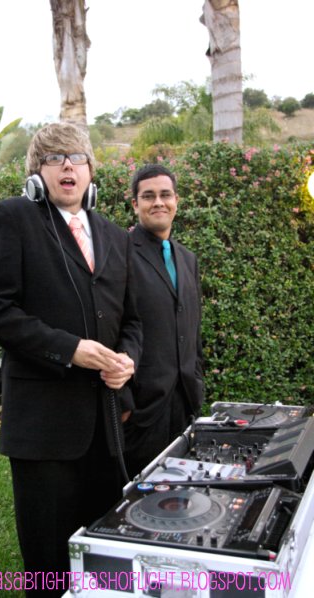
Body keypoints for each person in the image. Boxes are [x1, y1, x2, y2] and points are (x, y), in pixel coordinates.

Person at [0, 122, 142, 596]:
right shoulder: (11, 217)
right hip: (43, 430)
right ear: (37, 173)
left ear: (90, 171)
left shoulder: (115, 235)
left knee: (105, 563)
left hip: (106, 427)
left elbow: (132, 319)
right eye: (54, 158)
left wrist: (127, 359)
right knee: (49, 566)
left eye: (77, 157)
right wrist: (70, 350)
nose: (68, 165)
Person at [123, 164, 204, 479]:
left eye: (165, 195)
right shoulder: (121, 253)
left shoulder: (188, 259)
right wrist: (125, 401)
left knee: (183, 492)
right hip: (142, 410)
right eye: (148, 196)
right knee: (141, 496)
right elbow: (113, 329)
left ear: (176, 201)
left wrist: (196, 382)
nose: (158, 202)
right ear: (135, 204)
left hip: (185, 403)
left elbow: (192, 330)